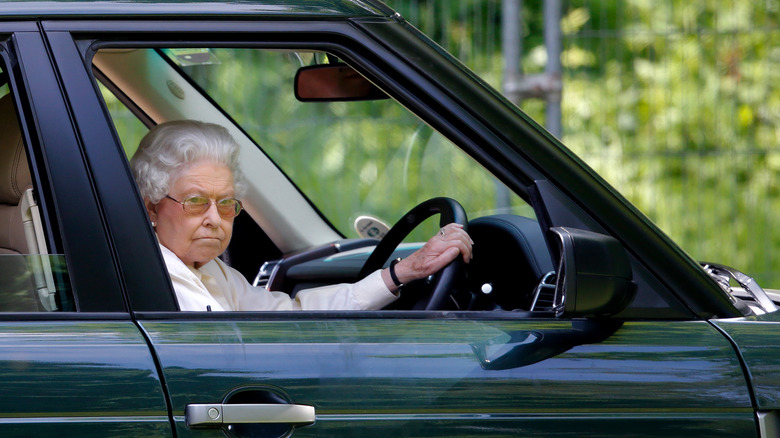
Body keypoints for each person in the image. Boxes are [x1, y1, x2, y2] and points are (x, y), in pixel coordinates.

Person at [131, 120, 473, 311]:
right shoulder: (155, 277)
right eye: (195, 201)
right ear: (151, 207)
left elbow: (291, 317)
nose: (214, 218)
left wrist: (402, 272)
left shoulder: (210, 269)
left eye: (225, 203)